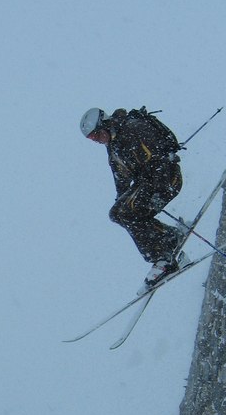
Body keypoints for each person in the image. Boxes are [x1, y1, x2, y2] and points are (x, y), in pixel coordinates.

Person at [80, 107, 188, 291]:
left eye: (96, 135)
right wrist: (122, 199)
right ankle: (169, 237)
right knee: (117, 213)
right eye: (92, 139)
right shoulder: (113, 146)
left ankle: (163, 258)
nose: (97, 141)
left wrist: (157, 195)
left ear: (104, 124)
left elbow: (159, 161)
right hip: (147, 184)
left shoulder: (132, 129)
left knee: (129, 213)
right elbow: (121, 179)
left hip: (166, 179)